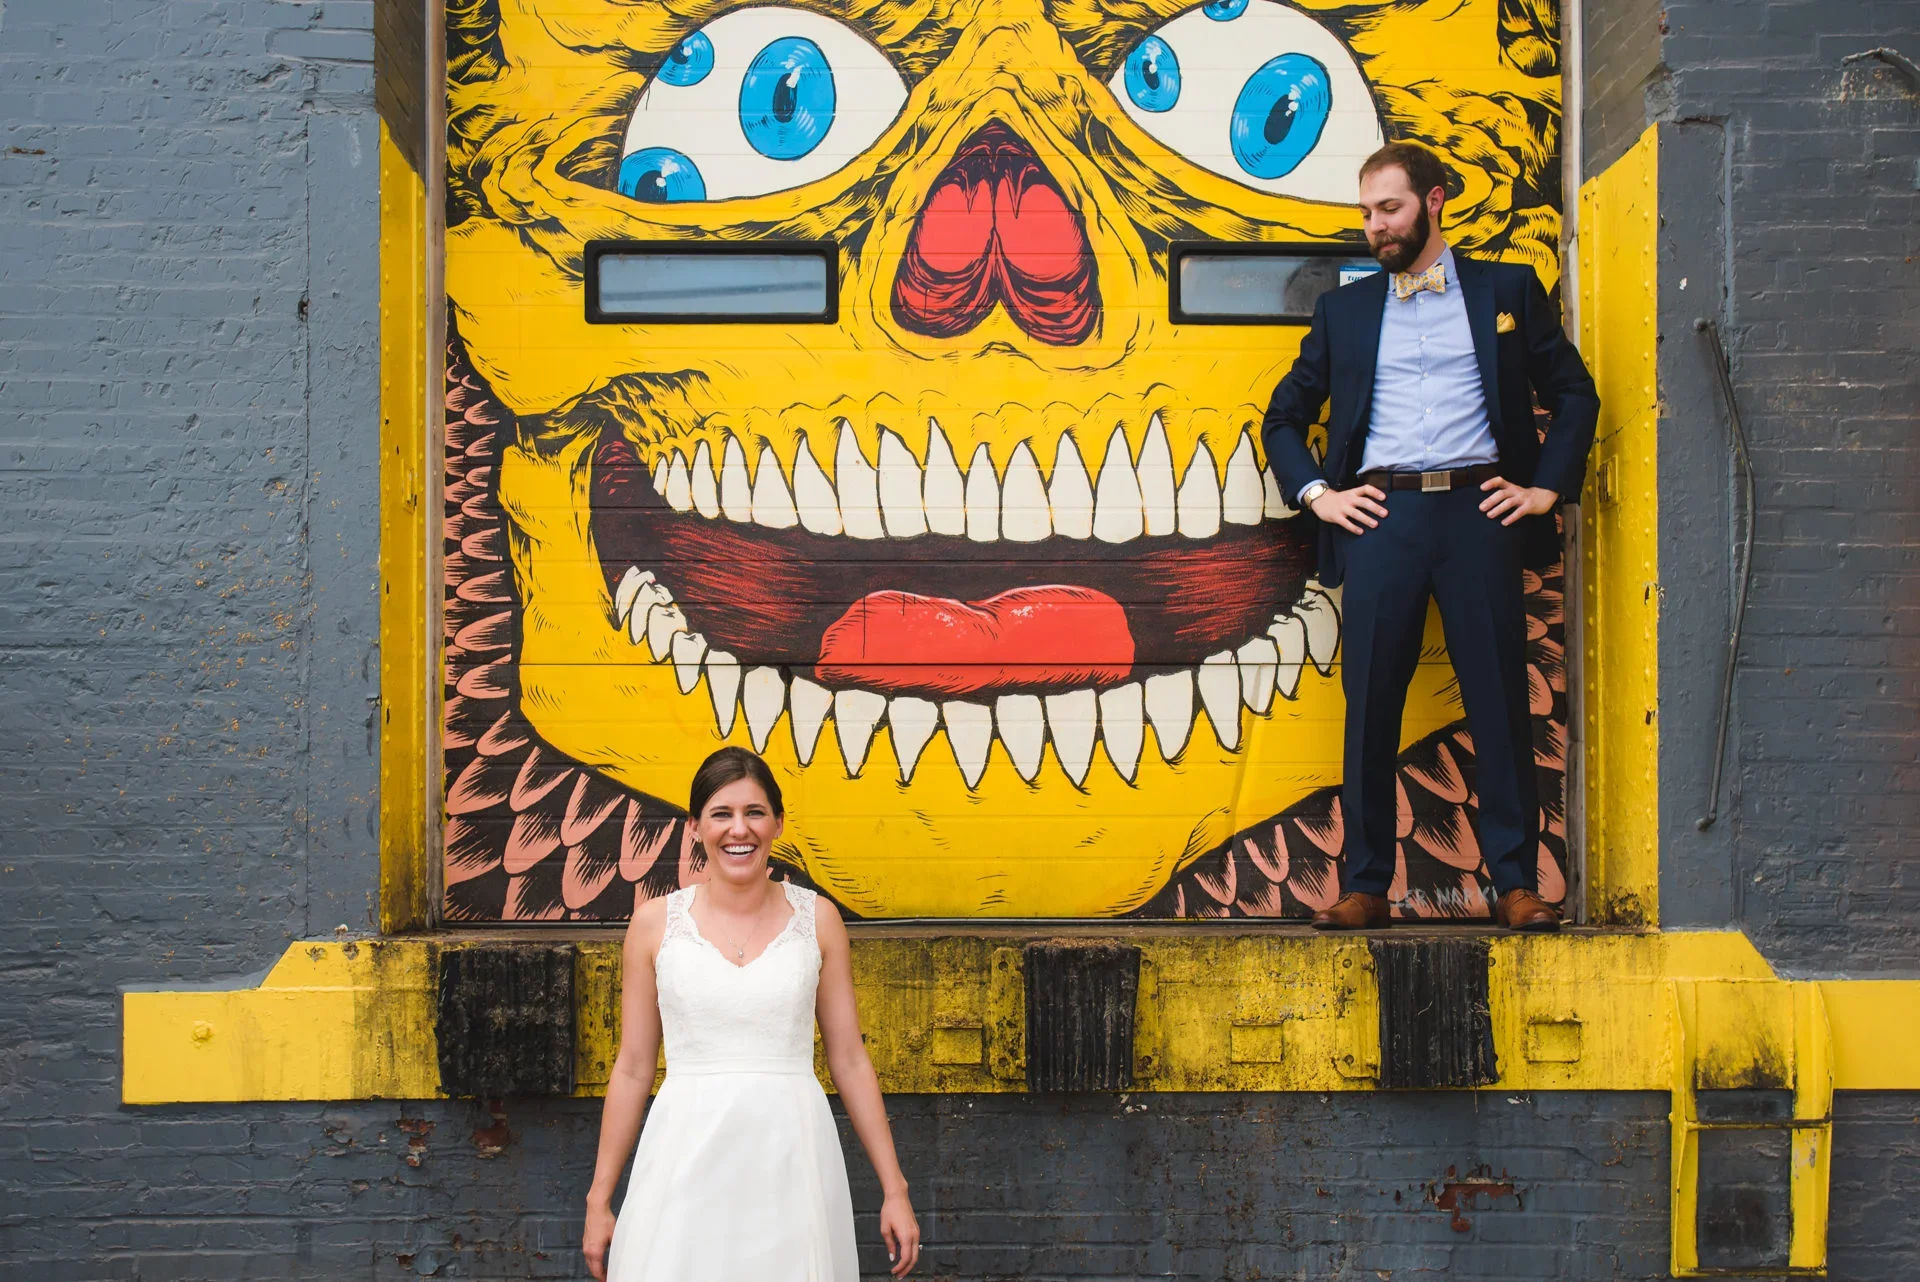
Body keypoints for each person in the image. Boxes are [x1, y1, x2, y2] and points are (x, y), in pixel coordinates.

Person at [1260, 142, 1599, 933]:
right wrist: (1319, 495)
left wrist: (1547, 487)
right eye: (1368, 212)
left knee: (1498, 702)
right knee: (1370, 703)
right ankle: (1366, 886)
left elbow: (1573, 391)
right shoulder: (1344, 311)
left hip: (1480, 513)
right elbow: (1284, 415)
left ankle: (1516, 884)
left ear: (1435, 201)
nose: (1376, 226)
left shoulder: (1506, 289)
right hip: (1383, 518)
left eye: (1392, 208)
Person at [582, 747, 921, 1281]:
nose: (738, 830)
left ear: (778, 824)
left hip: (791, 1158)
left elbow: (850, 1059)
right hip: (683, 1158)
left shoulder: (819, 919)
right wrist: (599, 1200)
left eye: (754, 812)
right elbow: (632, 1067)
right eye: (721, 814)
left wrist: (894, 1189)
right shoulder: (653, 926)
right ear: (694, 827)